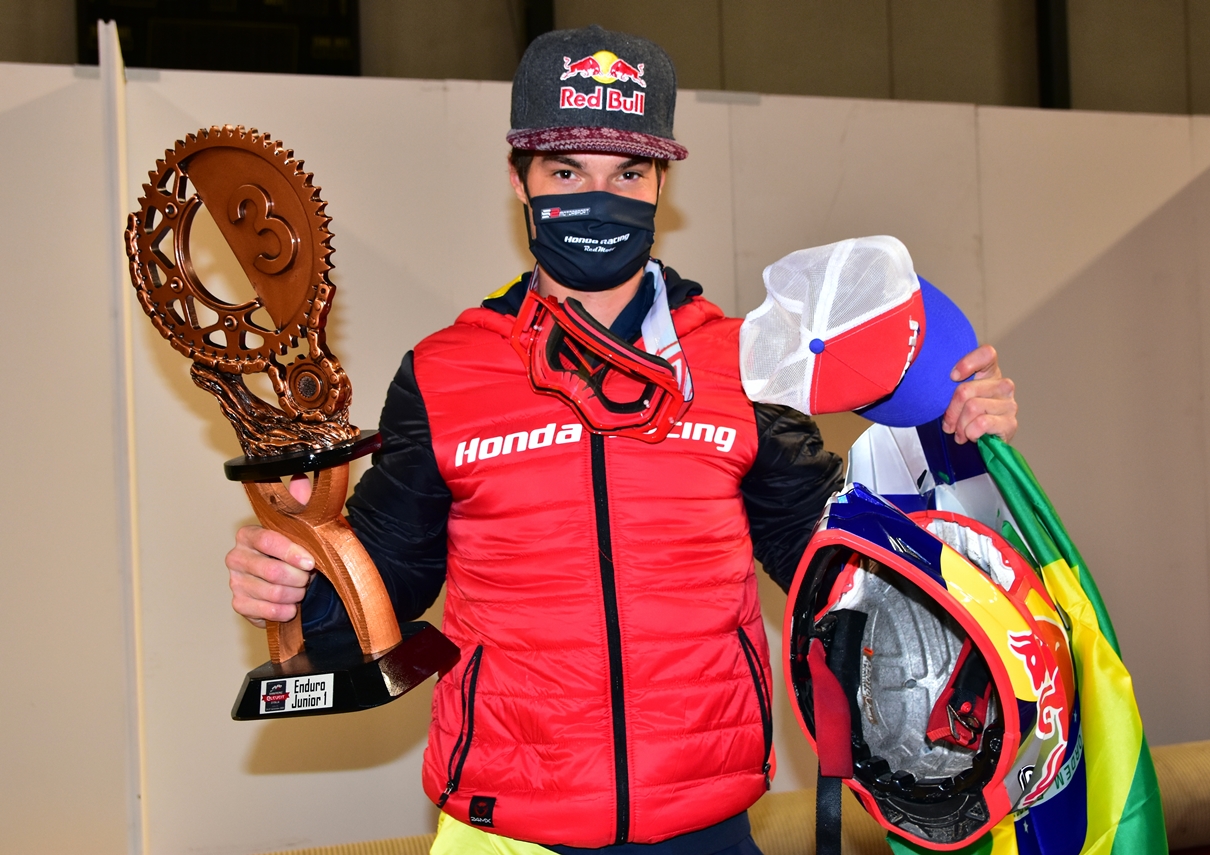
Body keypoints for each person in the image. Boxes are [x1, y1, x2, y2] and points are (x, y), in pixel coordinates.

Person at [225, 25, 1017, 855]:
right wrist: (297, 585)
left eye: (626, 173)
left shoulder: (741, 364)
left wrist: (954, 460)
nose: (597, 198)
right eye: (567, 171)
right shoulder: (445, 372)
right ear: (518, 178)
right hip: (509, 829)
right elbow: (379, 595)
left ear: (660, 182)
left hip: (704, 826)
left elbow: (847, 574)